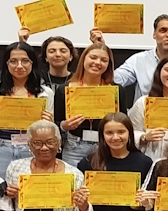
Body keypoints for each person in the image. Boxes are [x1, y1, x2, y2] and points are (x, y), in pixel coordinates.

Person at [0, 42, 55, 176]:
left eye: (25, 61)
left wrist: (48, 123)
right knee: (0, 185)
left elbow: (50, 130)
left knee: (29, 185)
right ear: (6, 64)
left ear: (32, 63)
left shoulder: (45, 93)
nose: (19, 66)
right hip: (2, 146)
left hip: (32, 146)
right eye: (13, 61)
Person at [54, 41, 128, 170]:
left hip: (106, 146)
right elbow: (56, 123)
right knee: (74, 181)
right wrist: (64, 126)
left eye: (104, 60)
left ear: (109, 64)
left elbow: (124, 122)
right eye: (93, 57)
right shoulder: (65, 89)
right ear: (83, 59)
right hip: (74, 146)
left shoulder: (116, 90)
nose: (98, 62)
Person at [109, 14, 168, 96]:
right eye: (163, 31)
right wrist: (103, 52)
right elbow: (114, 79)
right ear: (154, 34)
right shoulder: (138, 60)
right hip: (145, 111)